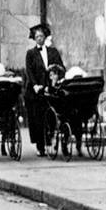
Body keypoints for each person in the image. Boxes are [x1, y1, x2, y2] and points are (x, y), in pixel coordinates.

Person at [23, 23, 63, 158]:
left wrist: (56, 80)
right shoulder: (31, 53)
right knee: (38, 118)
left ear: (45, 37)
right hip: (37, 91)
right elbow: (29, 71)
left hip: (50, 88)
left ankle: (49, 140)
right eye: (37, 36)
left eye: (41, 36)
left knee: (51, 115)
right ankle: (40, 146)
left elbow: (60, 67)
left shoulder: (53, 51)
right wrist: (35, 85)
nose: (39, 38)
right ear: (34, 39)